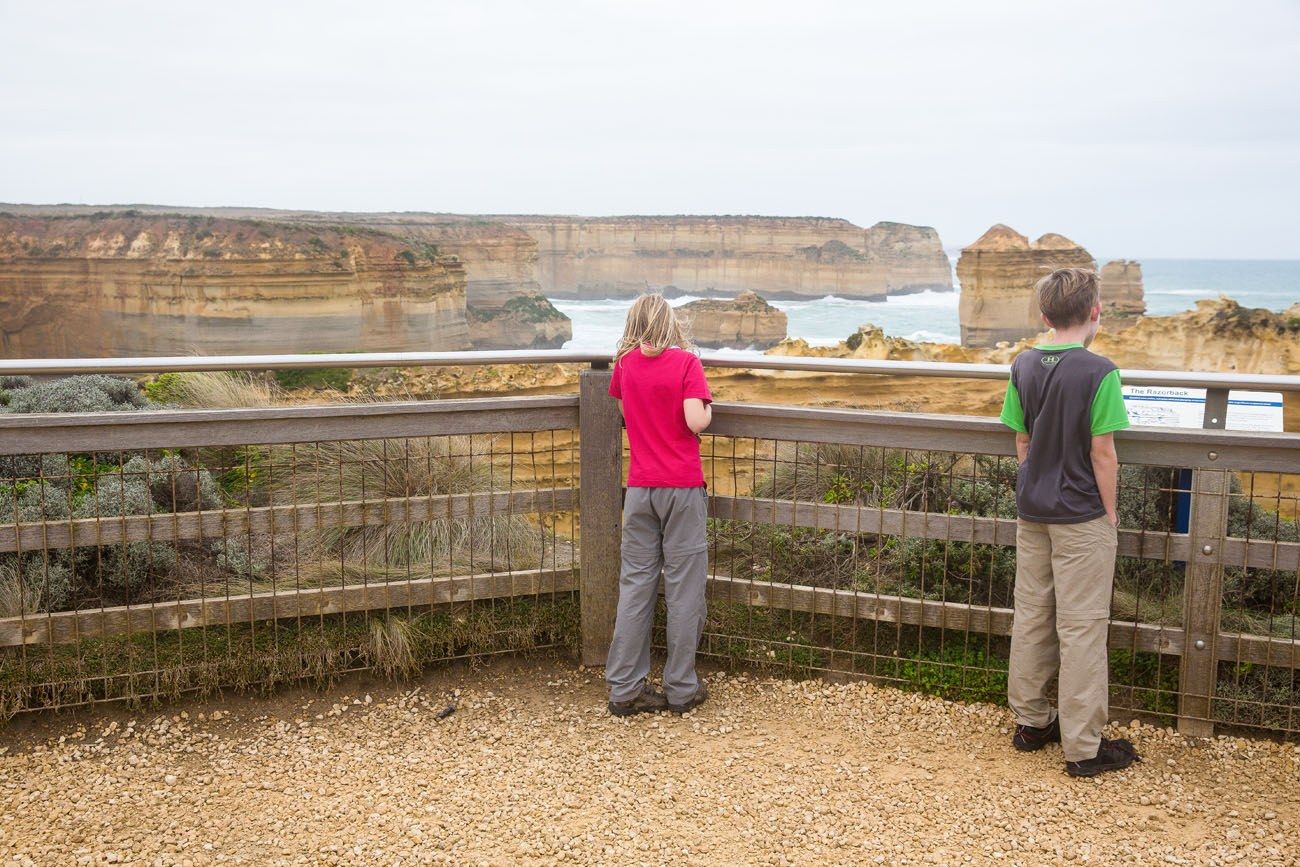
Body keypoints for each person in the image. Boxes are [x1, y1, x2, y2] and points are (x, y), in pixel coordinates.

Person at [999, 267, 1141, 777]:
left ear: (1044, 316)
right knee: (1081, 628)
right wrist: (1110, 513)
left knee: (1033, 615)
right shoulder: (1100, 372)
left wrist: (1036, 481)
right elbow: (1103, 452)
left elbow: (1021, 440)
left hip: (1032, 510)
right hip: (1081, 513)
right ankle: (1083, 748)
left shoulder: (1023, 364)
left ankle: (1032, 723)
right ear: (1095, 312)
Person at [605, 293, 713, 717]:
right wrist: (705, 402)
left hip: (640, 490)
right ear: (670, 323)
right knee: (684, 589)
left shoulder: (625, 365)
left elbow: (626, 412)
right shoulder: (686, 363)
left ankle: (625, 688)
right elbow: (694, 420)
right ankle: (681, 688)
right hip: (682, 489)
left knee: (635, 584)